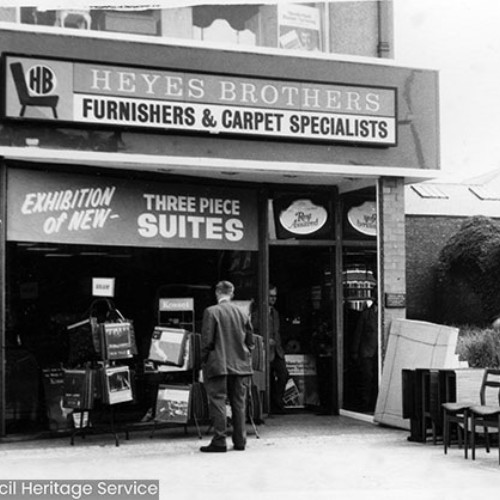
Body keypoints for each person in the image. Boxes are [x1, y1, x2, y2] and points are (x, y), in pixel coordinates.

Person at [200, 280, 254, 453]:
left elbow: (207, 341)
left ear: (217, 293)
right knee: (239, 402)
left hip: (218, 364)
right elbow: (251, 342)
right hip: (240, 365)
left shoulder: (211, 312)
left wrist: (204, 361)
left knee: (218, 402)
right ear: (232, 293)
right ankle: (240, 441)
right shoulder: (242, 313)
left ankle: (219, 441)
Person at [350, 298, 378, 412]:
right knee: (367, 377)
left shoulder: (383, 314)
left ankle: (374, 403)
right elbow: (358, 333)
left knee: (376, 378)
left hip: (378, 352)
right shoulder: (366, 315)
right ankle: (365, 402)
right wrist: (355, 351)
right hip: (367, 351)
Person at [268, 285, 289, 414]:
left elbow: (277, 331)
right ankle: (272, 405)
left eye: (275, 296)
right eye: (271, 296)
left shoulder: (275, 313)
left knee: (284, 375)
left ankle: (277, 401)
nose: (273, 299)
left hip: (277, 351)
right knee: (268, 379)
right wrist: (265, 341)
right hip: (266, 351)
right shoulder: (258, 313)